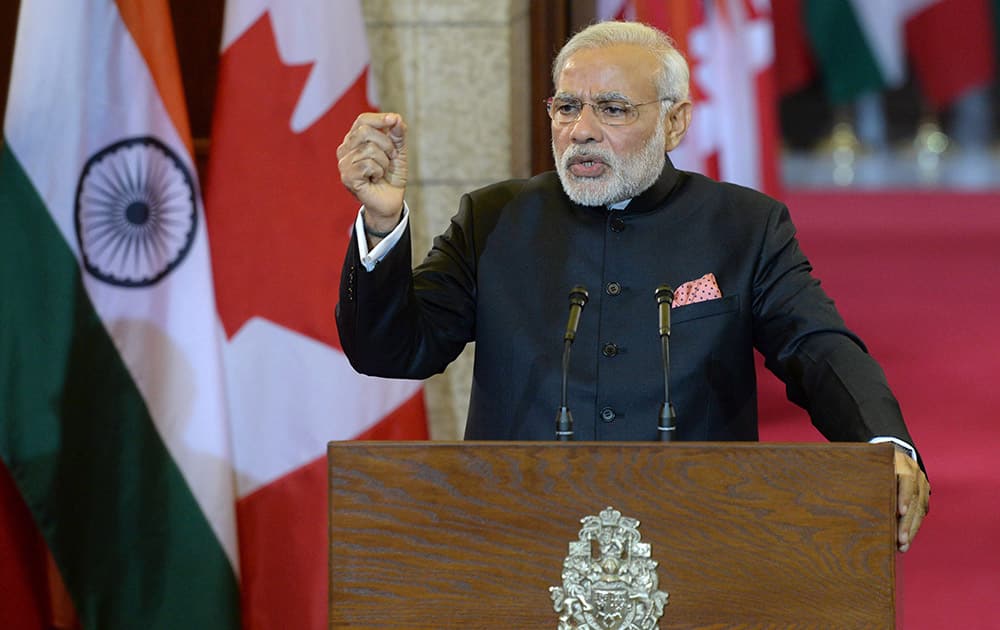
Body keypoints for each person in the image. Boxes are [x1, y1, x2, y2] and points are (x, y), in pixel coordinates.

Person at [334, 21, 929, 551]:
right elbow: (392, 350)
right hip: (520, 538)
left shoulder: (744, 227)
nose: (581, 131)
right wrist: (383, 223)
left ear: (674, 122)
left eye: (613, 109)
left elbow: (817, 348)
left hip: (695, 537)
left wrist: (885, 445)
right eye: (567, 107)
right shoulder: (494, 221)